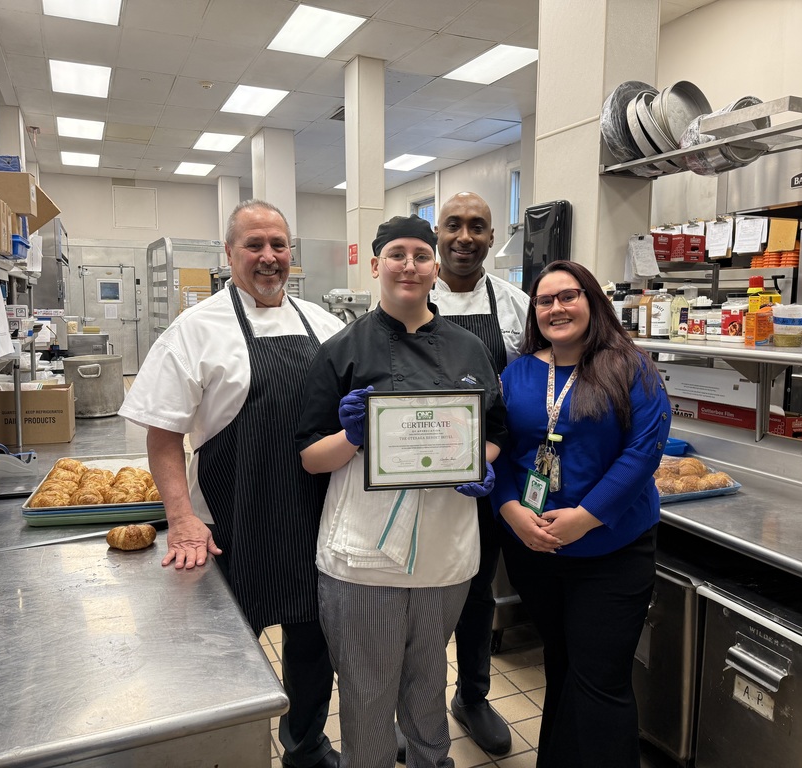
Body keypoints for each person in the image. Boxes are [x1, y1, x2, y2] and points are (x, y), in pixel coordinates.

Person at [119, 199, 344, 768]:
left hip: (314, 515)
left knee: (313, 645)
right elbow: (163, 435)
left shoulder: (325, 325)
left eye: (279, 245)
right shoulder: (196, 329)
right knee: (224, 652)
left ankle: (307, 745)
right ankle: (227, 753)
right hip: (231, 520)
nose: (268, 258)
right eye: (254, 245)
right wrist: (180, 517)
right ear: (229, 253)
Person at [295, 214, 508, 768]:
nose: (408, 265)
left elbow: (496, 435)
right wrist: (351, 437)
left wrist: (477, 464)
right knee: (366, 694)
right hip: (362, 557)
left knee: (426, 684)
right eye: (396, 254)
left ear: (435, 267)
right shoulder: (341, 350)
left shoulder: (469, 350)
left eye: (420, 254)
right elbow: (311, 457)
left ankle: (430, 761)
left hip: (446, 552)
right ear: (374, 265)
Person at [490, 260, 671, 768]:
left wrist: (585, 517)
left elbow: (644, 452)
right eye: (544, 301)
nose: (556, 308)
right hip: (535, 548)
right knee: (562, 664)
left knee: (601, 679)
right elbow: (500, 448)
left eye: (568, 296)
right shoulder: (519, 372)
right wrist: (510, 511)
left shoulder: (631, 366)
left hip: (610, 550)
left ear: (592, 301)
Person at [425, 191, 529, 757]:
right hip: (416, 475)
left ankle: (473, 695)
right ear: (437, 233)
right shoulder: (409, 297)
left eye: (478, 227)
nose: (465, 237)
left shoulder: (515, 305)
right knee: (413, 593)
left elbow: (531, 389)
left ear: (492, 238)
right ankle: (408, 704)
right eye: (454, 226)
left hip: (487, 474)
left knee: (477, 592)